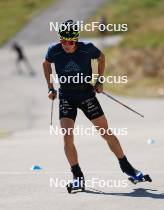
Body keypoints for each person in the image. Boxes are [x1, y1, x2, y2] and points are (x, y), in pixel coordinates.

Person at [43, 20, 151, 190]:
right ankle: (77, 176)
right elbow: (46, 63)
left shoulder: (87, 48)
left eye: (70, 42)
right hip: (66, 96)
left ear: (76, 40)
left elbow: (101, 57)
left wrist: (99, 80)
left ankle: (127, 167)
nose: (66, 45)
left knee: (105, 132)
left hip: (86, 94)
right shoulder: (54, 51)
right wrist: (50, 87)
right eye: (63, 41)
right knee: (67, 136)